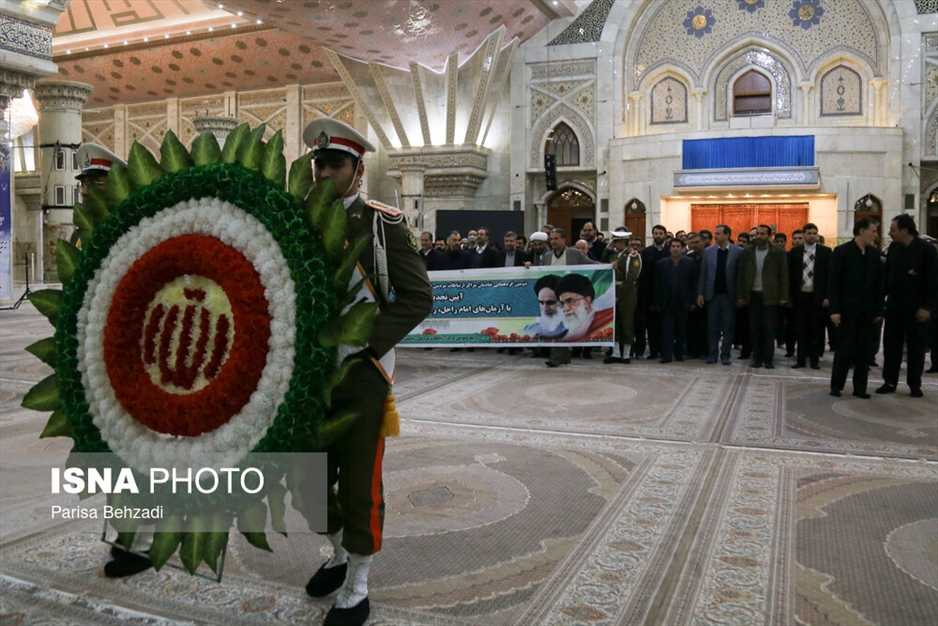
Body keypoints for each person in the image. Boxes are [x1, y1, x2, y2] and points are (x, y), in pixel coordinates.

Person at [302, 117, 433, 626]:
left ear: (358, 170)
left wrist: (363, 344)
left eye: (335, 164)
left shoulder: (382, 224)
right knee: (306, 478)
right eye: (319, 164)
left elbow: (417, 298)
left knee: (358, 484)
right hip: (310, 374)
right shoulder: (301, 220)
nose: (325, 173)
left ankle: (357, 580)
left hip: (362, 374)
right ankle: (337, 552)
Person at [876, 214, 937, 397]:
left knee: (916, 349)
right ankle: (890, 381)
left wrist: (927, 307)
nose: (889, 233)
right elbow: (888, 278)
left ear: (904, 230)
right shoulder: (894, 248)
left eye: (893, 229)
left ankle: (914, 384)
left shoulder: (926, 250)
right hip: (894, 308)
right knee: (891, 347)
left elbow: (934, 282)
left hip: (917, 311)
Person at [829, 217, 884, 398]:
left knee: (864, 351)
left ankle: (860, 388)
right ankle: (836, 386)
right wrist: (835, 310)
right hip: (846, 311)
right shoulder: (842, 252)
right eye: (873, 231)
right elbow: (834, 284)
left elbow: (878, 286)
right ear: (861, 231)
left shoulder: (874, 255)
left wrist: (878, 311)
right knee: (844, 349)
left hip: (867, 312)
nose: (875, 235)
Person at [737, 224, 789, 369]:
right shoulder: (747, 252)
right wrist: (741, 295)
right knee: (755, 329)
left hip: (770, 296)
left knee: (769, 329)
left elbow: (783, 275)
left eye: (762, 234)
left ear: (769, 235)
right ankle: (757, 359)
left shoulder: (777, 252)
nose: (759, 236)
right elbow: (741, 275)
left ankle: (768, 360)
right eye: (757, 234)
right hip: (752, 296)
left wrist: (784, 296)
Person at [697, 224, 743, 365]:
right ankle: (712, 354)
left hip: (729, 296)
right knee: (712, 327)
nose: (715, 236)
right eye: (715, 233)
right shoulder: (708, 252)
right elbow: (703, 274)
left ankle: (725, 355)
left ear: (727, 235)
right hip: (712, 295)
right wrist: (700, 293)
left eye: (718, 233)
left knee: (728, 327)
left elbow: (740, 276)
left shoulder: (738, 252)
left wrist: (740, 295)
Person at [788, 223, 831, 370]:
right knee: (801, 329)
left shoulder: (825, 252)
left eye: (814, 233)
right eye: (809, 233)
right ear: (804, 234)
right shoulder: (795, 252)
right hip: (800, 296)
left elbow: (829, 276)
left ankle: (814, 361)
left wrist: (827, 296)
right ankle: (800, 360)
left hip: (817, 297)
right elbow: (790, 275)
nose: (812, 235)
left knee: (816, 330)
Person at [654, 238, 695, 363]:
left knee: (681, 331)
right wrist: (657, 302)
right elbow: (657, 285)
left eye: (678, 246)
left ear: (682, 248)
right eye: (673, 246)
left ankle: (679, 354)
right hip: (667, 303)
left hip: (683, 303)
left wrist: (692, 301)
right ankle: (667, 355)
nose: (675, 249)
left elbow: (693, 284)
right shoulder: (661, 264)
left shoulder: (690, 263)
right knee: (667, 331)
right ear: (669, 248)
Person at [605, 229, 639, 364]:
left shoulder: (632, 255)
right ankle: (616, 353)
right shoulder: (615, 255)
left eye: (616, 241)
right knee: (616, 323)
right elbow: (604, 260)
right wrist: (607, 248)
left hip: (627, 293)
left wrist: (620, 294)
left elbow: (632, 277)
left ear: (623, 242)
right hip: (614, 291)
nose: (614, 244)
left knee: (626, 323)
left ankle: (626, 354)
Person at [638, 224, 671, 359]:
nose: (658, 236)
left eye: (660, 233)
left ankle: (665, 351)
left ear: (665, 235)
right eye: (656, 233)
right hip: (650, 294)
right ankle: (653, 351)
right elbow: (644, 276)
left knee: (665, 326)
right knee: (652, 326)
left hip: (666, 293)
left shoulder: (670, 251)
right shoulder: (647, 252)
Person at [524, 274, 566, 339]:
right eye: (541, 303)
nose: (544, 308)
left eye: (550, 303)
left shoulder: (575, 331)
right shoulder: (529, 330)